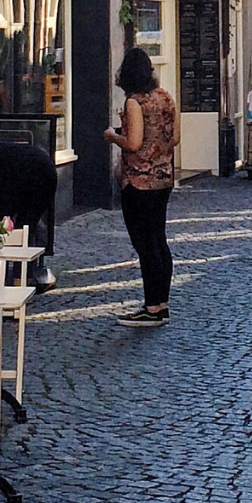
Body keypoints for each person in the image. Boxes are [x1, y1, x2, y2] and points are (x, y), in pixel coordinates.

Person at [105, 48, 179, 327]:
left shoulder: (134, 103)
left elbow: (133, 143)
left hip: (138, 181)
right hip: (163, 178)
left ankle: (152, 308)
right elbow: (175, 138)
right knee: (159, 240)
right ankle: (162, 303)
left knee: (145, 244)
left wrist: (114, 136)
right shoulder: (166, 97)